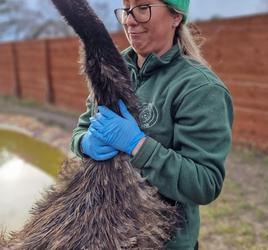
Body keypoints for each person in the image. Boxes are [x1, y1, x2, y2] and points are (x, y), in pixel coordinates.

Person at [71, 0, 234, 249]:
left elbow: (204, 183)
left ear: (176, 17)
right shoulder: (112, 70)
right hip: (104, 236)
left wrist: (138, 145)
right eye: (126, 10)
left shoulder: (199, 89)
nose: (130, 20)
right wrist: (84, 143)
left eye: (143, 8)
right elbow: (83, 127)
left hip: (163, 242)